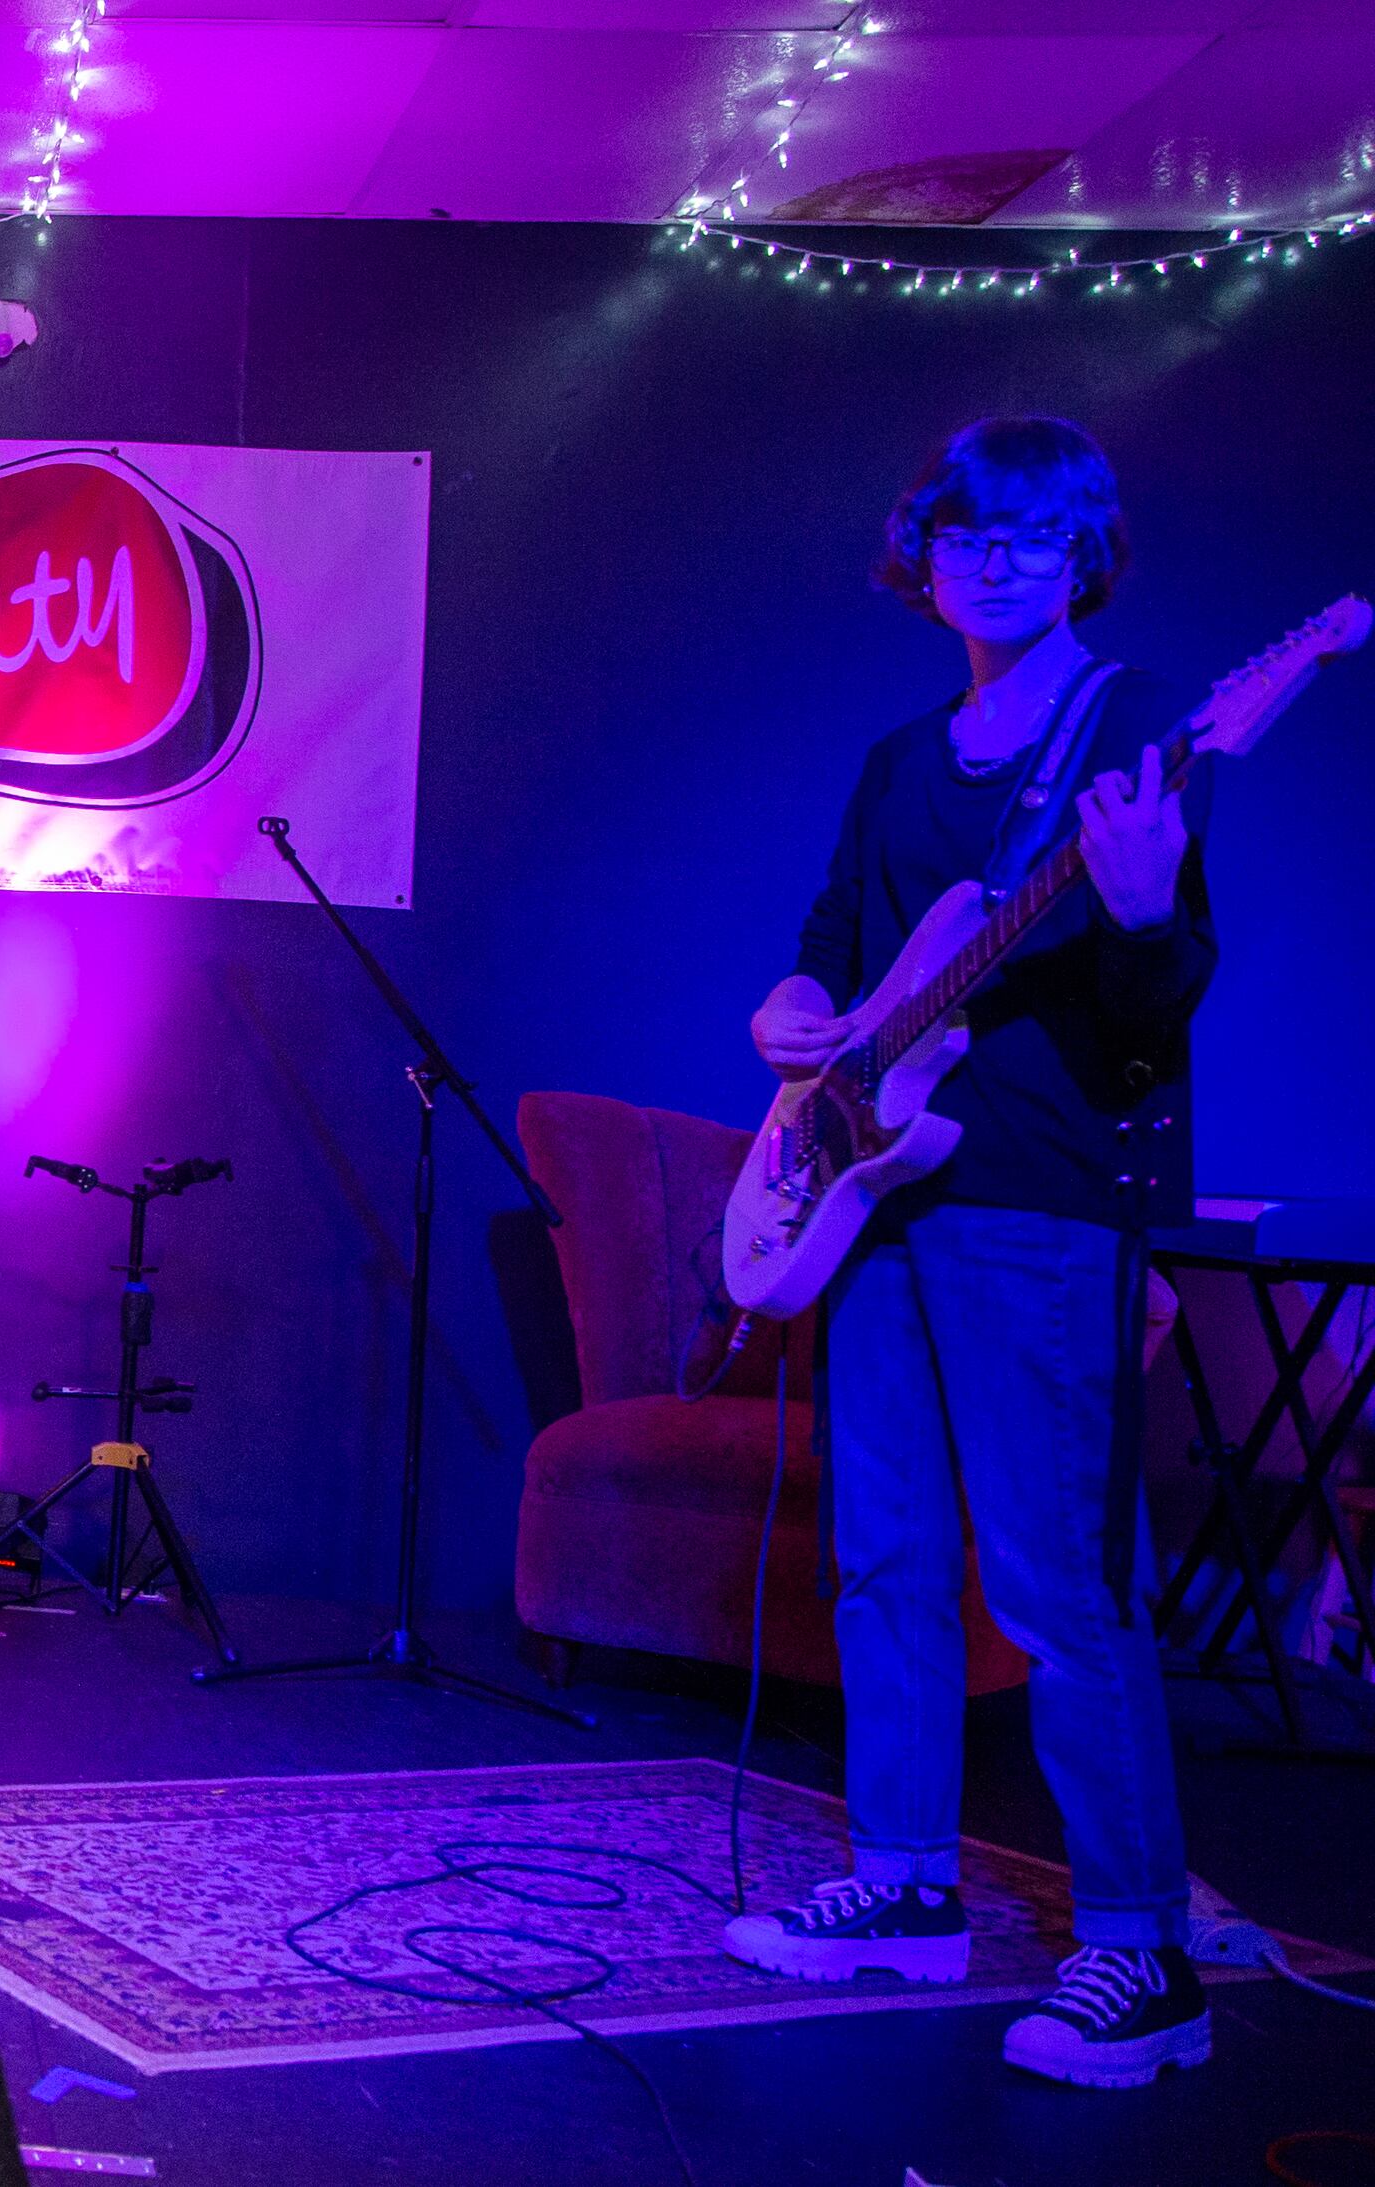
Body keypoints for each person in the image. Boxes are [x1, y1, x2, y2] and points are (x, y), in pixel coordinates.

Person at [722, 417, 1215, 2089]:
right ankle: (907, 1881)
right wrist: (797, 1014)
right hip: (872, 1195)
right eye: (964, 533)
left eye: (1029, 533)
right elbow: (832, 948)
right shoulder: (896, 759)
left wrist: (1140, 915)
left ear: (1083, 555)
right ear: (923, 560)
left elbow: (1157, 1008)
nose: (992, 561)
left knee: (1061, 1584)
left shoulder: (1134, 725)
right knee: (885, 1561)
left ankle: (1143, 1951)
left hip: (1037, 1200)